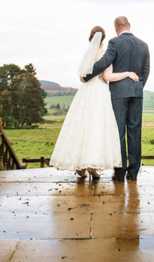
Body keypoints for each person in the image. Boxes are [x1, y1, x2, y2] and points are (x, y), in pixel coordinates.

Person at [50, 26, 139, 179]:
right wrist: (127, 73)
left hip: (85, 92)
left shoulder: (87, 53)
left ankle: (81, 167)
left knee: (81, 127)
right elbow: (108, 77)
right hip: (99, 92)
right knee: (95, 127)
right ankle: (91, 166)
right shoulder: (105, 53)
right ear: (103, 38)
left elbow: (81, 78)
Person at [83, 16, 150, 182]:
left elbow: (104, 62)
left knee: (118, 132)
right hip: (136, 92)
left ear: (115, 28)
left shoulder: (115, 43)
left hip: (118, 94)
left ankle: (120, 173)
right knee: (135, 131)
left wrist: (86, 74)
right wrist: (138, 86)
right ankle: (133, 173)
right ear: (129, 25)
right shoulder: (144, 45)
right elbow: (146, 70)